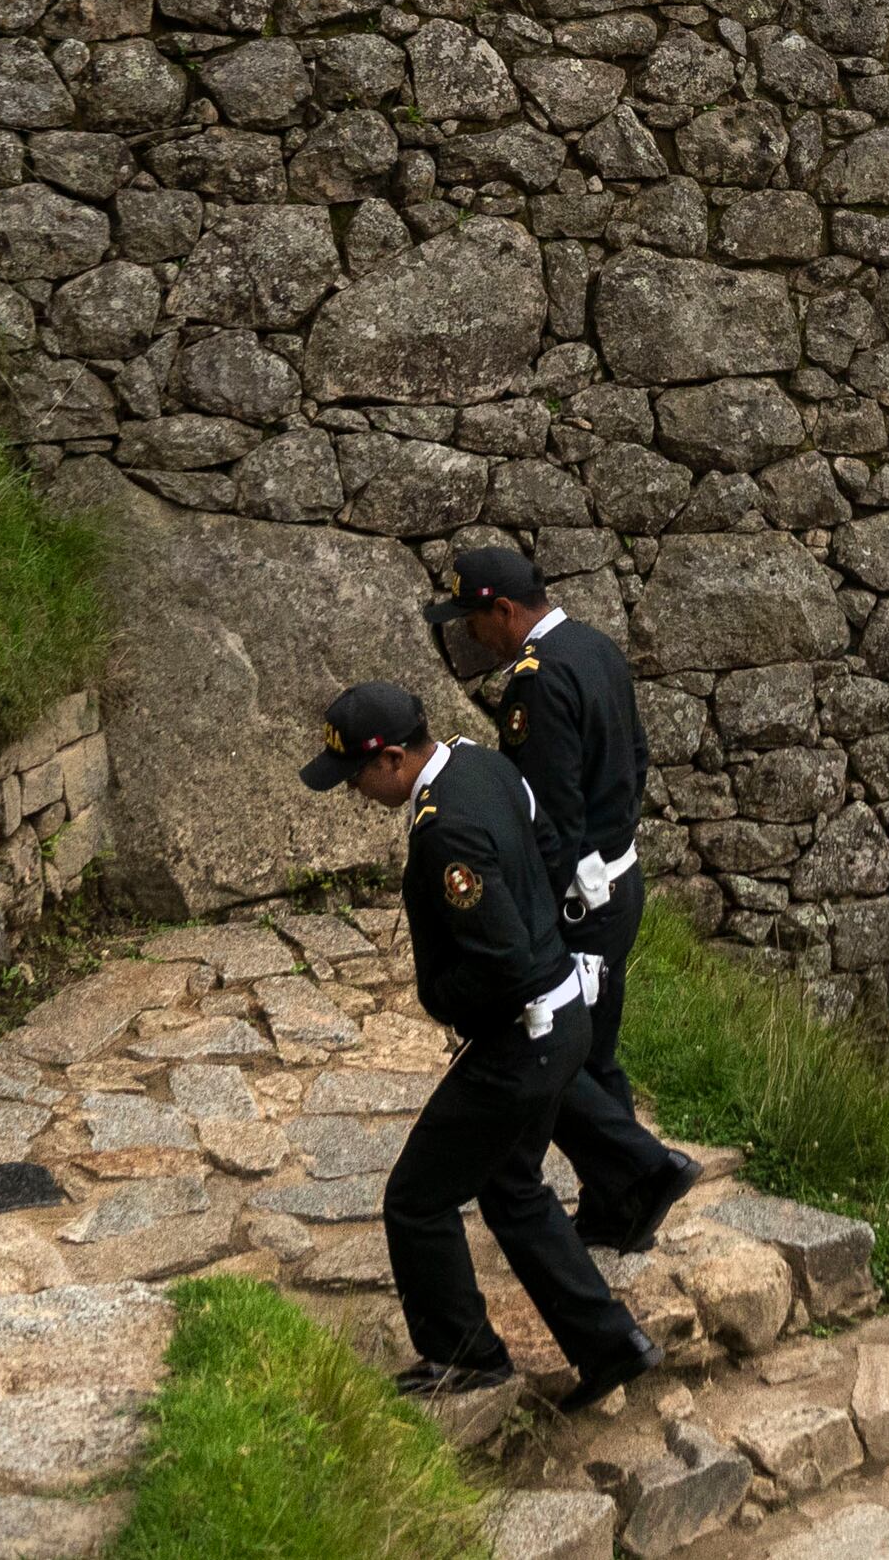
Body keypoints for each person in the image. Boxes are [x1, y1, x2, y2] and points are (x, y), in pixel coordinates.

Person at [298, 679, 654, 1404]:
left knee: (417, 1199)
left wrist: (441, 1000)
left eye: (358, 777)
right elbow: (550, 846)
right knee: (512, 1186)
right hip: (562, 1016)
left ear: (393, 758)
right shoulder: (484, 765)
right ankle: (612, 1345)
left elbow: (502, 961)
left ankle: (465, 1355)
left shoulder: (445, 827)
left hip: (522, 1040)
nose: (356, 792)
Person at [428, 546, 702, 1251]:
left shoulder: (538, 681)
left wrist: (539, 905)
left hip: (582, 898)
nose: (470, 636)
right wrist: (614, 846)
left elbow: (546, 812)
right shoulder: (594, 645)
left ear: (504, 610)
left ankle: (641, 1175)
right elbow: (636, 755)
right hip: (617, 876)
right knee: (592, 1049)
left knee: (560, 1051)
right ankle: (624, 1202)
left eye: (472, 620)